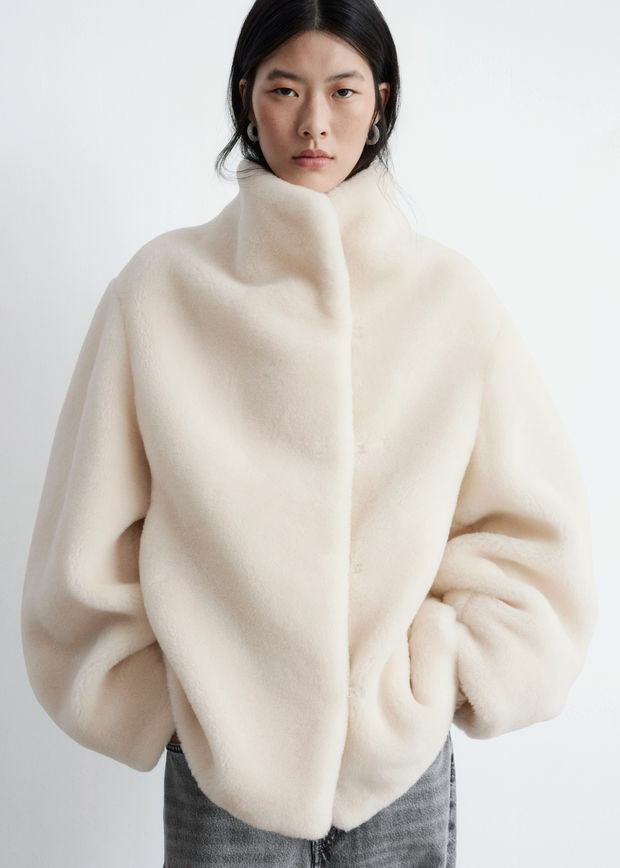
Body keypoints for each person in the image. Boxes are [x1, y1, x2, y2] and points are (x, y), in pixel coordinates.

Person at [20, 1, 598, 866]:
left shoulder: (451, 302)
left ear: (382, 101)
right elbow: (85, 543)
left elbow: (532, 537)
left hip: (399, 778)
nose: (315, 123)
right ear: (246, 96)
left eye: (344, 90)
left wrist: (432, 679)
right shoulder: (159, 293)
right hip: (223, 782)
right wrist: (177, 707)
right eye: (285, 89)